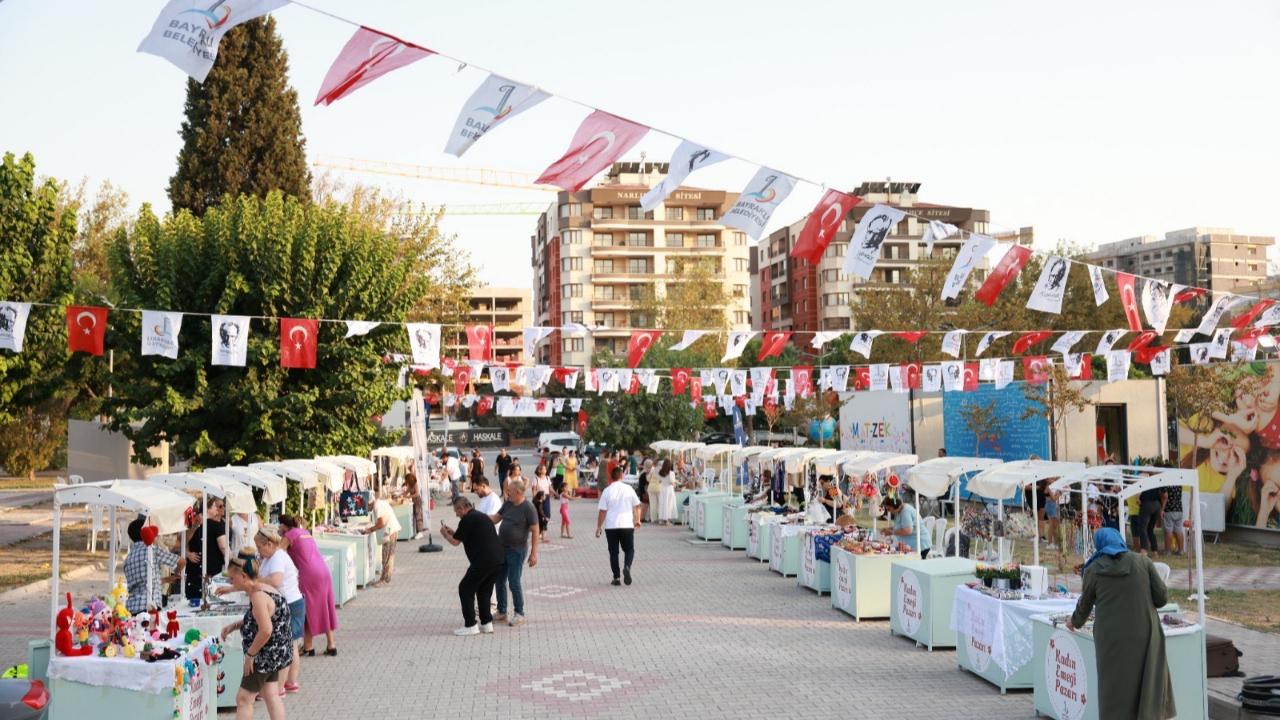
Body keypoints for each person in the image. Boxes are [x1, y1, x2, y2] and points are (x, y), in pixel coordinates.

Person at [1068, 527, 1175, 720]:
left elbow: (1084, 605)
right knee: (1146, 682)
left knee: (1114, 686)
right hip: (1145, 634)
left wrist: (1074, 622)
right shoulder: (1143, 562)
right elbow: (1162, 598)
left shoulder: (1093, 569)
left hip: (1111, 639)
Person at [220, 550, 292, 720]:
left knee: (244, 699)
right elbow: (263, 619)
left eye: (232, 578)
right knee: (271, 695)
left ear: (244, 576)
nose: (231, 582)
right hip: (275, 653)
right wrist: (235, 625)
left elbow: (266, 630)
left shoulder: (258, 596)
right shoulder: (264, 588)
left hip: (264, 654)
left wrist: (250, 655)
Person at [250, 528, 305, 695]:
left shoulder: (278, 557)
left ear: (269, 544)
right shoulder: (270, 557)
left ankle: (281, 685)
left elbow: (276, 580)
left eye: (259, 547)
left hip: (290, 603)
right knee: (290, 643)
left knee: (287, 645)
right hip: (287, 602)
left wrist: (256, 581)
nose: (258, 550)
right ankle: (289, 682)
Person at [441, 496, 505, 636]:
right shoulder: (480, 516)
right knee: (483, 590)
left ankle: (470, 625)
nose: (456, 514)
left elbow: (455, 542)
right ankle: (486, 623)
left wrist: (445, 535)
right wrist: (452, 532)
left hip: (484, 560)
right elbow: (461, 535)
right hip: (498, 559)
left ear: (462, 508)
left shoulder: (467, 519)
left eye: (457, 511)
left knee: (465, 588)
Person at [277, 516, 338, 657]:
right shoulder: (305, 532)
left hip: (309, 574)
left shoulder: (289, 535)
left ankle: (308, 646)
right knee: (325, 607)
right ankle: (331, 644)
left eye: (279, 526)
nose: (278, 529)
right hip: (323, 571)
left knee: (307, 608)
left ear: (285, 526)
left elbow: (278, 554)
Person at [487, 478, 539, 626]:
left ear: (518, 492)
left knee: (514, 582)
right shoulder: (508, 504)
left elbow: (535, 530)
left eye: (509, 491)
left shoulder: (528, 508)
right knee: (499, 580)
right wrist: (481, 517)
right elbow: (496, 518)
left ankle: (519, 613)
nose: (506, 493)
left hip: (517, 550)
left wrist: (534, 553)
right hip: (501, 548)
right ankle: (502, 611)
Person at [123, 515, 185, 614]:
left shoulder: (128, 559)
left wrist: (167, 580)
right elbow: (182, 562)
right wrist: (176, 572)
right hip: (150, 607)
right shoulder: (152, 550)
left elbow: (144, 584)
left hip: (132, 608)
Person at [596, 465, 642, 586]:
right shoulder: (629, 489)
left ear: (611, 477)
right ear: (622, 476)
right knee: (629, 549)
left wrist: (598, 527)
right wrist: (638, 520)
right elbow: (637, 505)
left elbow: (602, 511)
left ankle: (616, 578)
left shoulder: (607, 490)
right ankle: (627, 566)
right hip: (627, 524)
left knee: (613, 552)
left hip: (611, 526)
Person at [185, 497, 228, 602]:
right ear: (207, 509)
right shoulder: (195, 523)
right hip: (197, 570)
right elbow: (183, 541)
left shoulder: (218, 524)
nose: (217, 509)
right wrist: (187, 553)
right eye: (214, 506)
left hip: (210, 569)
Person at [363, 492, 402, 586]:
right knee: (386, 555)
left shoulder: (377, 506)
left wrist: (370, 529)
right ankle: (383, 578)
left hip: (390, 531)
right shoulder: (380, 503)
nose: (367, 510)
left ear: (369, 503)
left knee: (387, 556)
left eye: (366, 507)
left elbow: (382, 522)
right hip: (390, 530)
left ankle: (385, 580)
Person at [1136, 484, 1163, 557]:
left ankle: (1144, 551)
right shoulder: (1155, 480)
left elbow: (1139, 490)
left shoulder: (1142, 477)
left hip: (1147, 503)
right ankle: (1155, 552)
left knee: (1142, 528)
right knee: (1150, 529)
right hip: (1157, 504)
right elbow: (1162, 493)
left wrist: (1137, 498)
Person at [1162, 484, 1185, 555]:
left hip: (1169, 509)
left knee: (1168, 530)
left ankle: (1167, 551)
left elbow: (1165, 496)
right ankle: (1181, 550)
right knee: (1179, 530)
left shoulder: (1167, 484)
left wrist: (1162, 508)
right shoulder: (1179, 483)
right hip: (1179, 509)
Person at [530, 465, 553, 536]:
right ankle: (540, 531)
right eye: (544, 469)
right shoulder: (535, 479)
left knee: (547, 514)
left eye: (546, 469)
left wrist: (556, 494)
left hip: (546, 497)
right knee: (539, 515)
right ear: (540, 470)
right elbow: (533, 490)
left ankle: (543, 526)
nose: (546, 470)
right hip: (539, 499)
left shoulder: (547, 478)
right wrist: (534, 499)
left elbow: (550, 488)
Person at [655, 459, 678, 526]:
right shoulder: (671, 473)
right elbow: (672, 482)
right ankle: (667, 520)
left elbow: (659, 481)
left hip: (662, 489)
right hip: (669, 490)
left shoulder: (660, 472)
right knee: (669, 504)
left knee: (662, 504)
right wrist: (675, 484)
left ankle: (662, 519)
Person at [403, 470, 423, 539]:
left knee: (418, 516)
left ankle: (420, 532)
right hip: (413, 501)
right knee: (414, 517)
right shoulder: (409, 484)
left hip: (417, 501)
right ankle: (415, 532)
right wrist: (401, 495)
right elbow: (406, 491)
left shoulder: (415, 484)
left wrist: (409, 496)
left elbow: (417, 493)